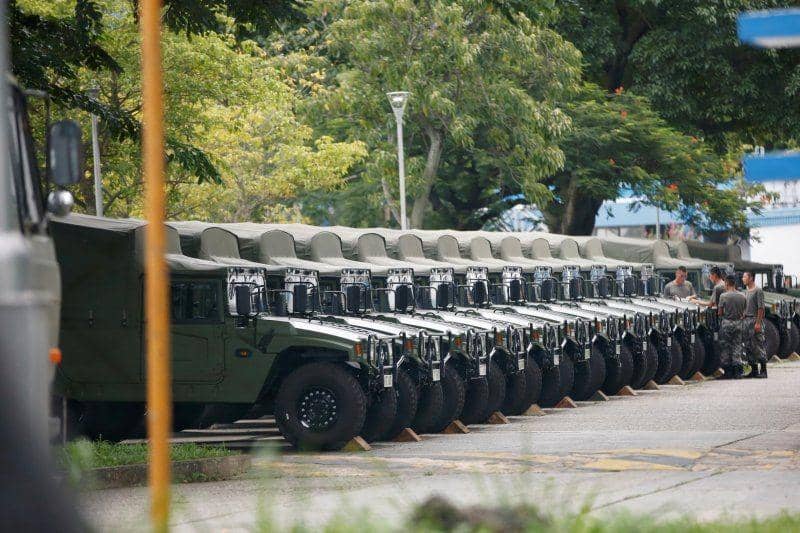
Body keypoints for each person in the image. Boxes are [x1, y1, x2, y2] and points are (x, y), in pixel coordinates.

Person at [717, 274, 745, 379]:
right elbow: (744, 311)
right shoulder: (742, 296)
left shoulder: (723, 296)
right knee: (737, 346)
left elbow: (720, 312)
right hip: (738, 323)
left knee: (726, 347)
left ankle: (727, 372)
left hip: (727, 323)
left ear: (727, 283)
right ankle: (737, 372)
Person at [742, 270, 768, 378]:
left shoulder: (758, 291)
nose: (743, 279)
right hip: (747, 321)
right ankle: (753, 370)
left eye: (745, 277)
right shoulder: (746, 291)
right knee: (748, 346)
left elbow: (761, 308)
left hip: (755, 320)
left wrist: (758, 323)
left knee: (758, 345)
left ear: (751, 278)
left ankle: (763, 370)